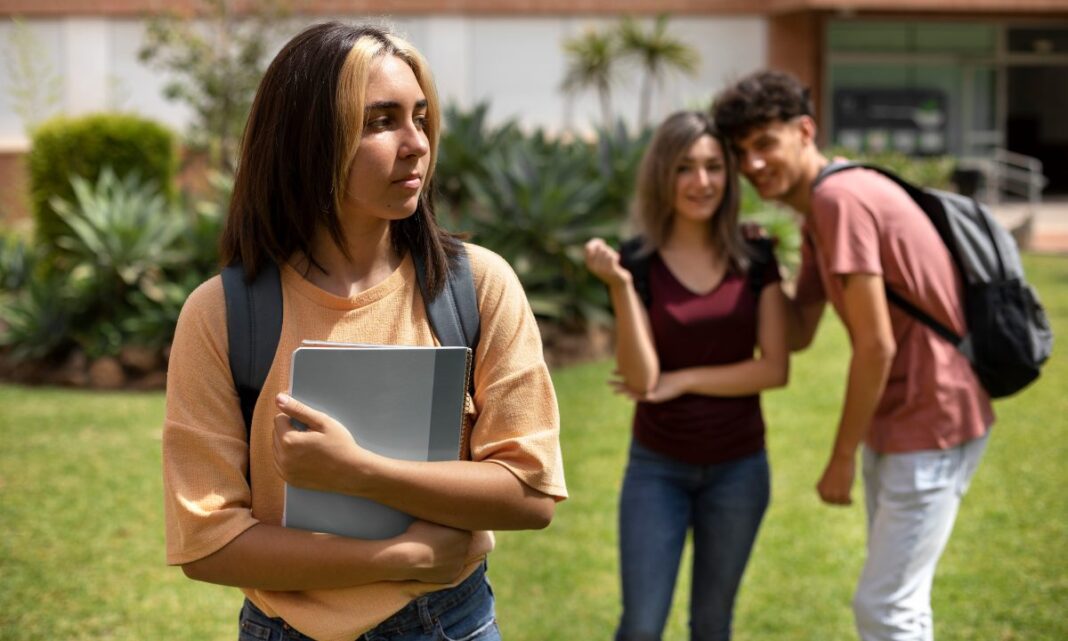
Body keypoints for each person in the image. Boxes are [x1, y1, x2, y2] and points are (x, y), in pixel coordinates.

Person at [162, 22, 567, 641]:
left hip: (452, 625)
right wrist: (399, 558)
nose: (416, 144)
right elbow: (207, 543)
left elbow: (531, 492)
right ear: (308, 142)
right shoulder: (221, 313)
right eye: (381, 120)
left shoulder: (477, 285)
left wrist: (361, 471)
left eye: (421, 117)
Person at [712, 70, 993, 641]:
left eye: (765, 142)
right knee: (899, 601)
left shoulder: (840, 200)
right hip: (904, 419)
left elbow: (875, 344)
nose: (753, 164)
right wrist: (763, 269)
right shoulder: (822, 207)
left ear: (805, 130)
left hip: (932, 415)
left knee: (885, 607)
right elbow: (796, 334)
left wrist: (840, 457)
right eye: (741, 152)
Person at [584, 111, 789, 641]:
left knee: (713, 625)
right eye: (685, 168)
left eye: (713, 167)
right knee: (642, 626)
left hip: (740, 470)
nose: (702, 182)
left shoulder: (756, 253)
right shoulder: (637, 261)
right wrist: (621, 287)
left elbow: (774, 367)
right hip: (658, 469)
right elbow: (644, 377)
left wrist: (686, 379)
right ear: (662, 176)